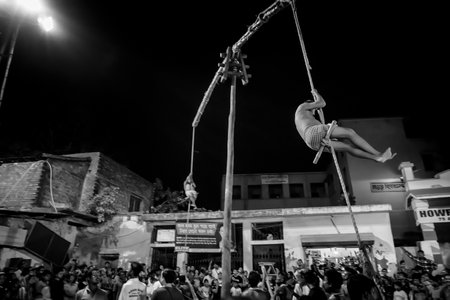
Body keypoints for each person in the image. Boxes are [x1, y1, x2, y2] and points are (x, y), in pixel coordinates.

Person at [294, 90, 396, 163]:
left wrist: (330, 138)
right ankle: (378, 153)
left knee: (348, 147)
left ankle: (377, 158)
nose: (314, 112)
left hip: (311, 144)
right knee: (350, 132)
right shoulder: (302, 106)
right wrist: (316, 93)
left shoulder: (301, 118)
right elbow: (322, 103)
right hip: (312, 132)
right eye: (314, 109)